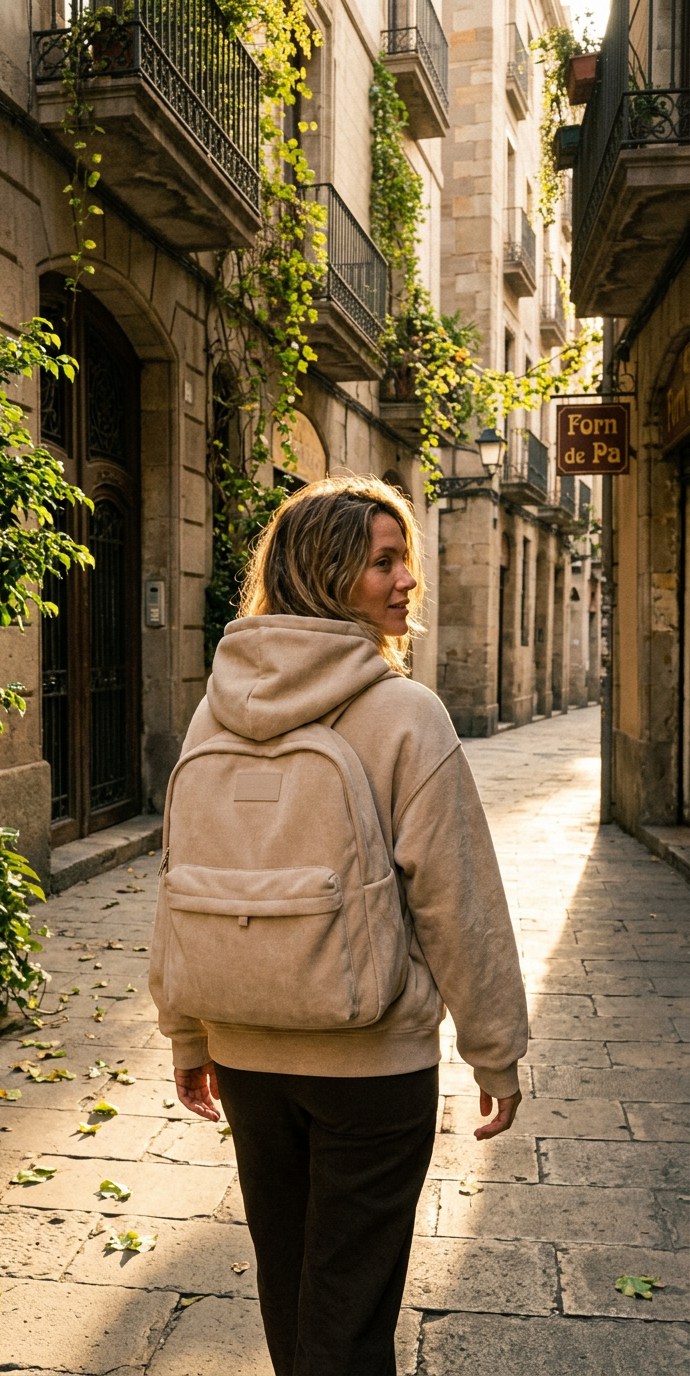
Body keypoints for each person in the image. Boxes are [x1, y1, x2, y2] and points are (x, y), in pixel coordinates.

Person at [149, 473, 527, 1376]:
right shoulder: (403, 712)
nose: (407, 582)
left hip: (245, 1052)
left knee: (292, 1295)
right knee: (350, 1312)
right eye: (382, 563)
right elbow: (457, 900)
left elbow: (183, 882)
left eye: (407, 561)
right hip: (370, 1065)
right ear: (324, 574)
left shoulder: (214, 708)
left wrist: (188, 1033)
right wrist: (497, 1051)